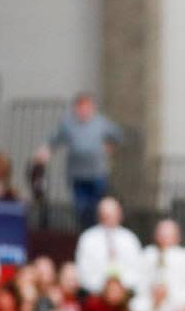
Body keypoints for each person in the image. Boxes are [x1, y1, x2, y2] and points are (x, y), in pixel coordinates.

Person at [34, 93, 124, 230]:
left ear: (92, 108)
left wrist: (110, 145)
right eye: (80, 107)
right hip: (77, 174)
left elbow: (118, 135)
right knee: (81, 207)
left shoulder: (101, 123)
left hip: (97, 173)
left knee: (97, 206)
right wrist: (46, 149)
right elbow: (54, 139)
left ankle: (98, 230)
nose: (83, 111)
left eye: (86, 107)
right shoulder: (68, 124)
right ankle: (84, 230)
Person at [74, 197, 143, 294]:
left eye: (112, 214)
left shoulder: (130, 239)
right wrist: (104, 287)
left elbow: (137, 269)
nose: (109, 218)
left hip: (125, 294)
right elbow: (82, 270)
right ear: (99, 215)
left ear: (119, 215)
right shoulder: (88, 238)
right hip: (95, 293)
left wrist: (119, 287)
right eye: (105, 215)